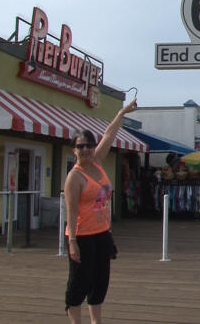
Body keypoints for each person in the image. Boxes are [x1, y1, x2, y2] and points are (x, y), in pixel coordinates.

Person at [64, 98, 137, 324]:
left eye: (88, 145)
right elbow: (71, 211)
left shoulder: (96, 163)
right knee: (79, 282)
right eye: (80, 146)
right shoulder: (74, 177)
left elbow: (109, 134)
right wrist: (72, 242)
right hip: (82, 237)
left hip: (102, 234)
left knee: (100, 281)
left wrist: (122, 113)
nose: (85, 149)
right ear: (73, 150)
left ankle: (96, 322)